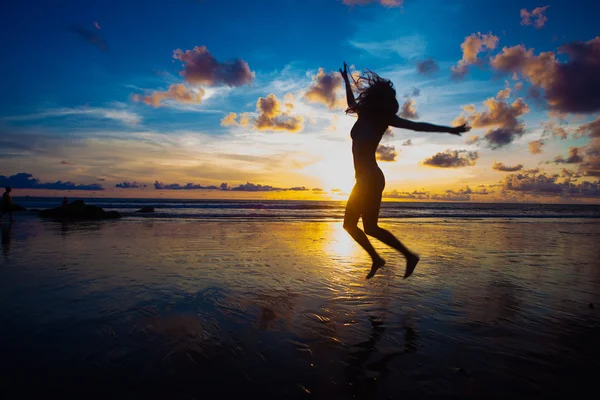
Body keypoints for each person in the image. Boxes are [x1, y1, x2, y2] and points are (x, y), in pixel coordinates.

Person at [339, 62, 470, 279]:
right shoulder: (363, 113)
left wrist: (450, 130)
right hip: (363, 179)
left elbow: (418, 126)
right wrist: (345, 81)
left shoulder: (384, 118)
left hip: (370, 179)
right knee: (361, 227)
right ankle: (385, 258)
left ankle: (399, 257)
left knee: (357, 226)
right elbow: (351, 102)